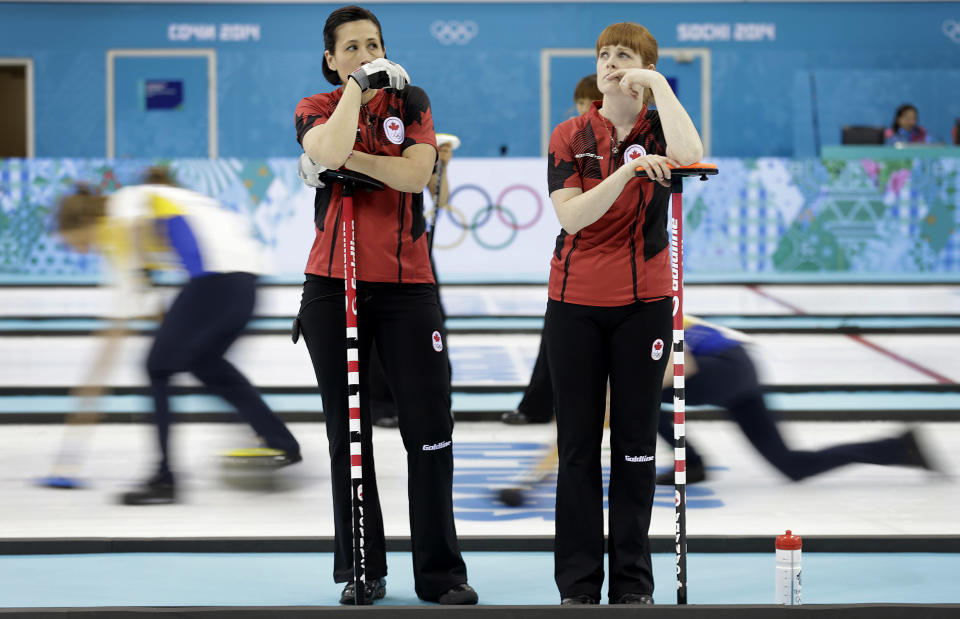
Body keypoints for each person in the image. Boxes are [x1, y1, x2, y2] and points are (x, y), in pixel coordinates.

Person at [293, 5, 476, 606]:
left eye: (373, 44)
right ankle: (362, 569)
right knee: (349, 435)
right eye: (351, 47)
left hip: (406, 286)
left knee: (430, 430)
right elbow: (325, 146)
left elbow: (415, 175)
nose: (365, 53)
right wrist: (355, 94)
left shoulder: (413, 103)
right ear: (330, 59)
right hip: (332, 286)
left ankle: (442, 574)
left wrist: (351, 165)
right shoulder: (316, 107)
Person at [545, 22, 702, 606]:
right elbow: (572, 218)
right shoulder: (570, 134)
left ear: (644, 68)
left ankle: (633, 584)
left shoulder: (661, 128)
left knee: (636, 447)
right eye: (605, 54)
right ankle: (579, 585)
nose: (612, 62)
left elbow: (691, 155)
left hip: (645, 306)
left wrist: (658, 87)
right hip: (575, 304)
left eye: (626, 56)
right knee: (580, 449)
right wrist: (630, 170)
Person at [55, 168, 302, 505]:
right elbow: (151, 314)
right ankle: (280, 441)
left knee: (157, 366)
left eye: (76, 243)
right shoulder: (136, 210)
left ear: (82, 225)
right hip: (246, 281)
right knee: (203, 363)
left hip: (218, 278)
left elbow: (118, 325)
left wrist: (90, 388)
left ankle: (164, 478)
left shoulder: (120, 214)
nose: (80, 250)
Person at [656, 317, 936, 485]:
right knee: (792, 465)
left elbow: (685, 365)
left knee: (634, 395)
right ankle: (899, 448)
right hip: (740, 366)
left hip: (724, 367)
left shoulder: (649, 316)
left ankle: (690, 463)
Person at [501, 75, 604, 427]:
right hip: (575, 261)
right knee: (556, 339)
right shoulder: (571, 137)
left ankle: (551, 406)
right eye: (579, 103)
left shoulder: (614, 144)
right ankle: (538, 405)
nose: (583, 110)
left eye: (589, 102)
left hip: (611, 264)